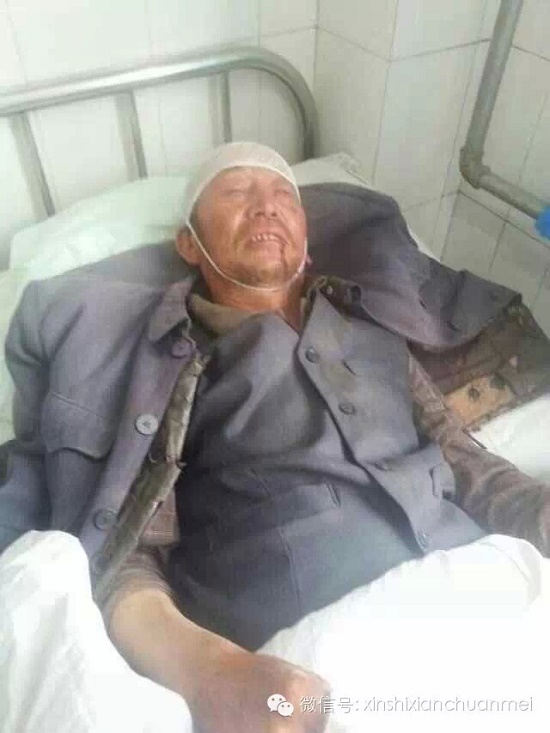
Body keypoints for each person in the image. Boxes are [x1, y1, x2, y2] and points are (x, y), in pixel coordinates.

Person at [2, 142, 550, 733]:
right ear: (189, 245)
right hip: (315, 676)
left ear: (306, 245)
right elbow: (128, 559)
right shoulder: (171, 364)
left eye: (284, 196)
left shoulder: (374, 333)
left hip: (487, 603)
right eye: (237, 192)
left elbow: (462, 457)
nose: (266, 206)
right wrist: (209, 673)